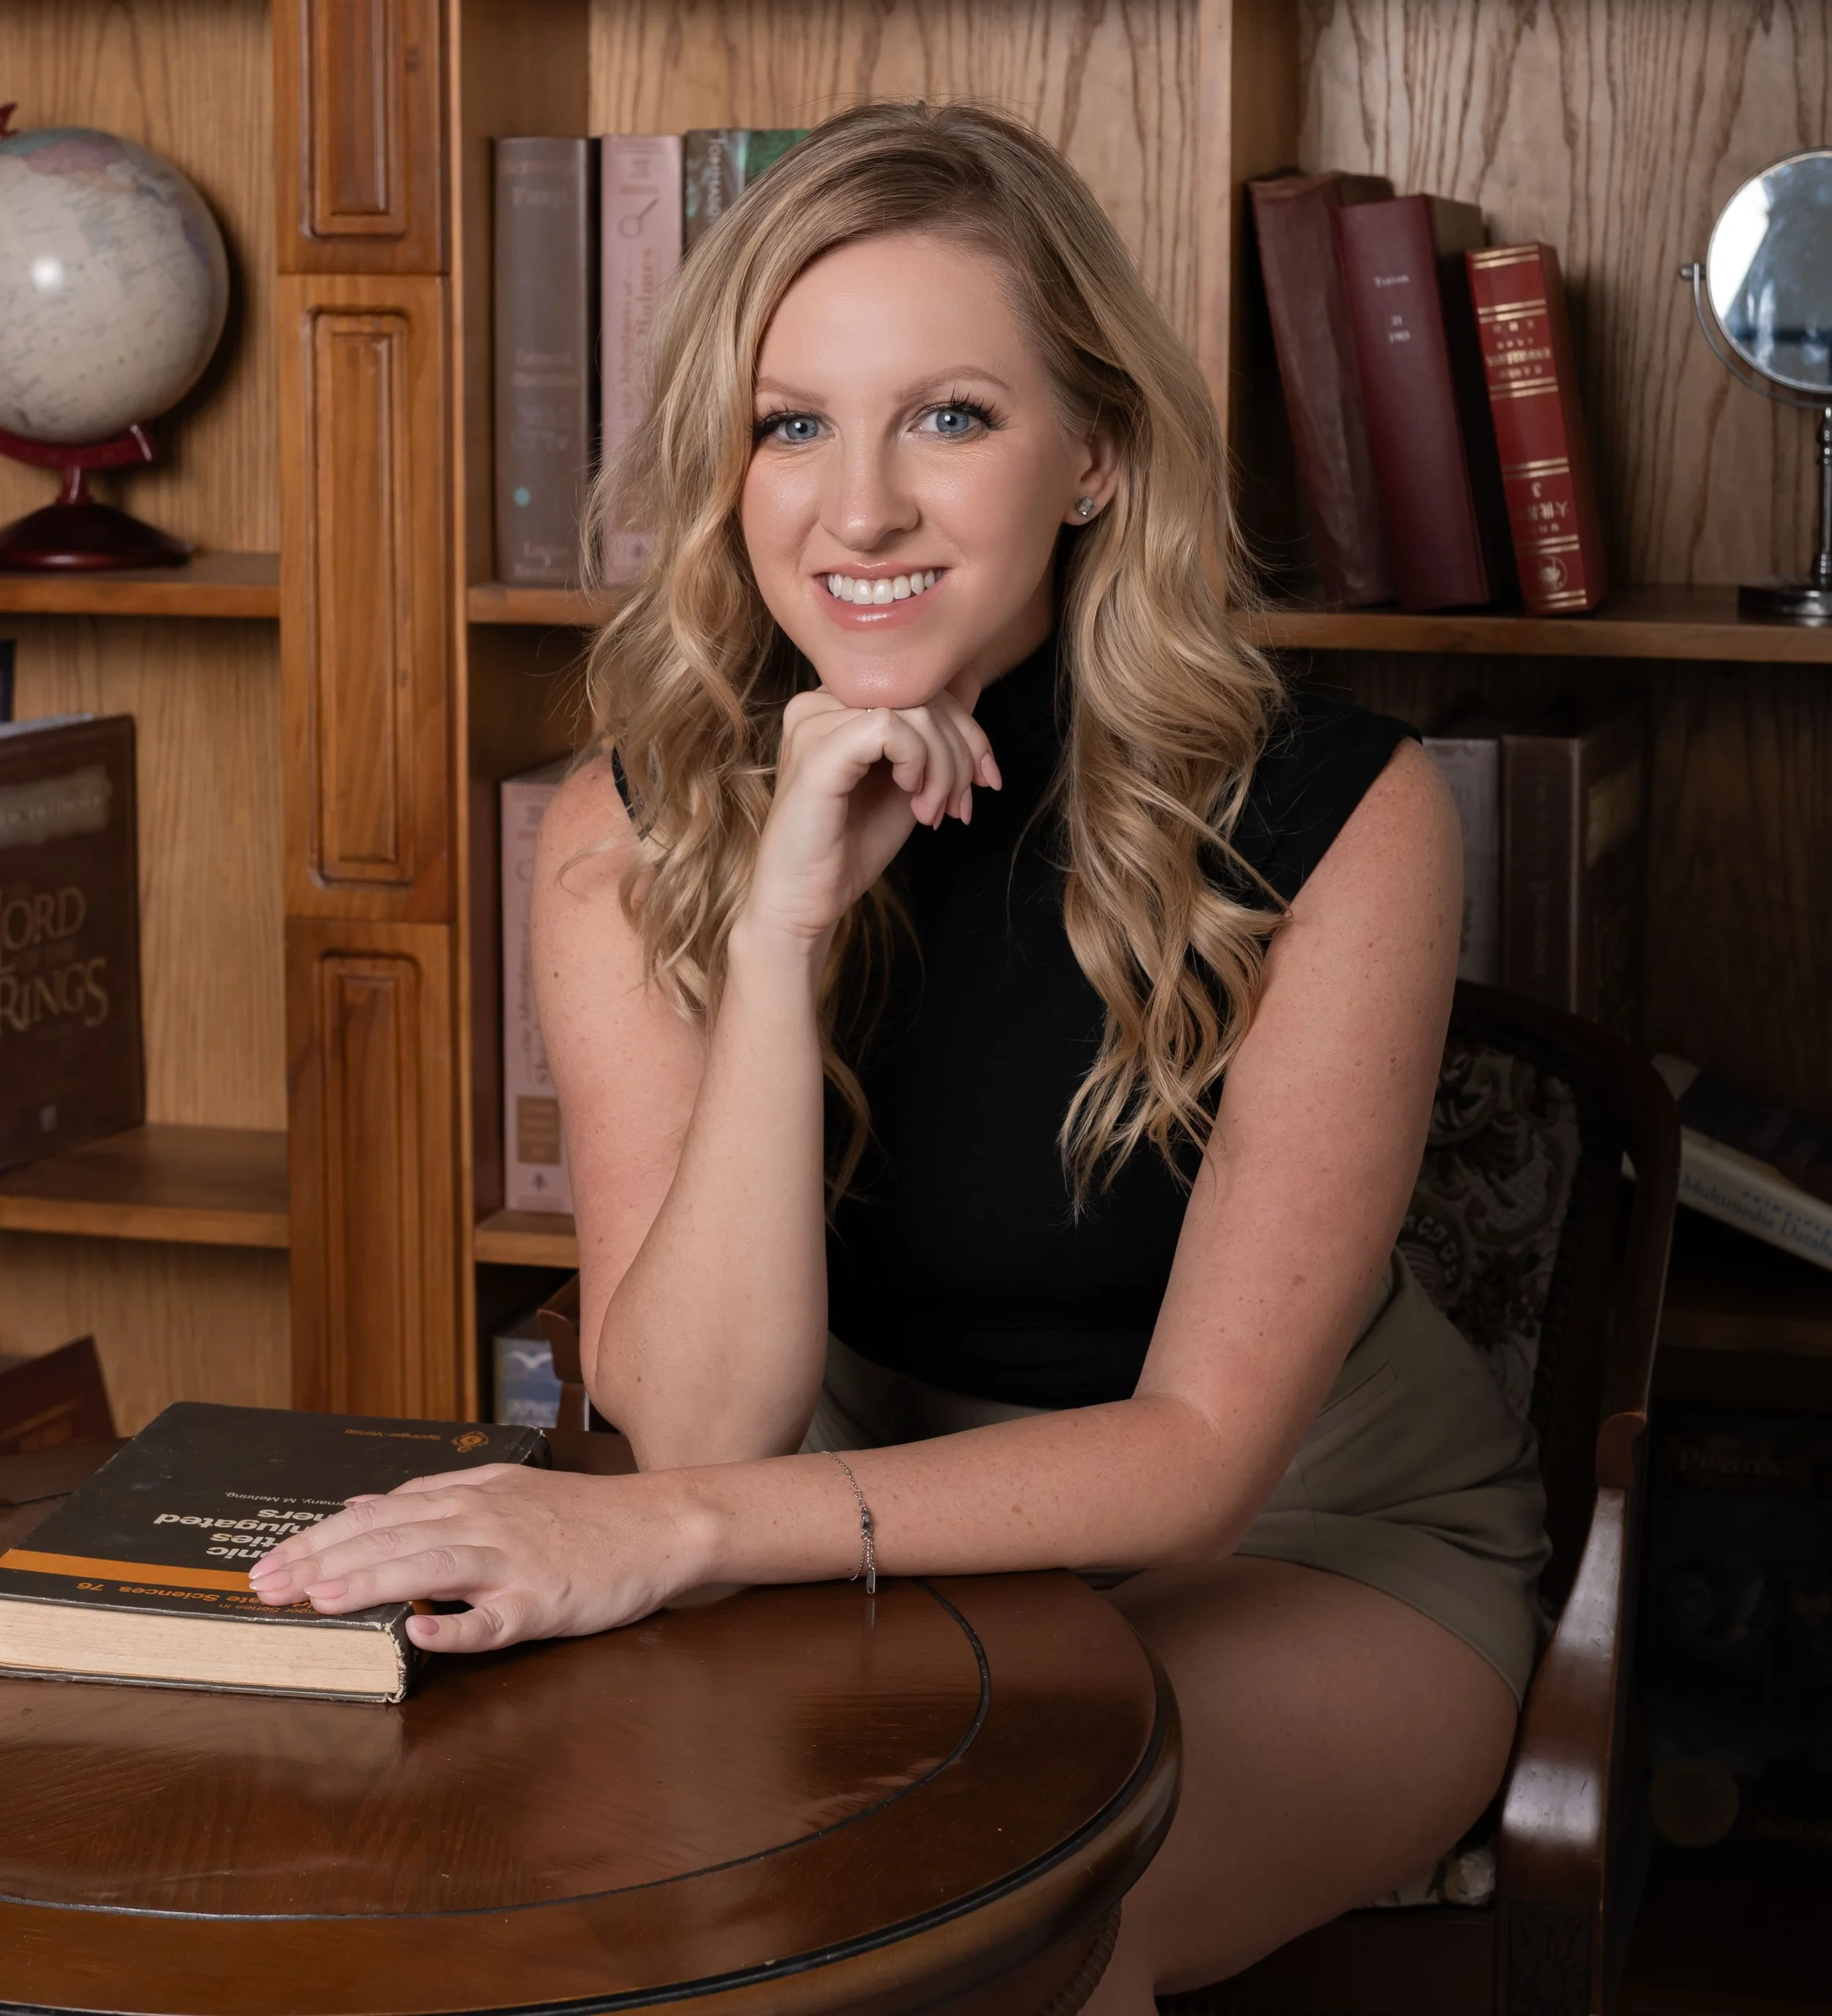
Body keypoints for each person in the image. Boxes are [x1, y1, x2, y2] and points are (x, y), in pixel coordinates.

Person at [252, 104, 1548, 2009]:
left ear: (1094, 455)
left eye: (947, 414)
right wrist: (778, 942)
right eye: (791, 423)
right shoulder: (634, 827)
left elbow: (1194, 1460)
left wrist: (666, 1533)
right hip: (829, 1548)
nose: (855, 508)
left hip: (1300, 1549)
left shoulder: (1332, 811)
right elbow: (698, 1417)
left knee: (998, 1925)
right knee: (638, 1920)